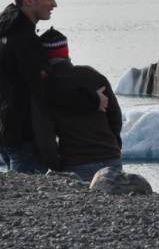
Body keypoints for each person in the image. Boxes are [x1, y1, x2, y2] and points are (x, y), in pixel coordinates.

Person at [0, 0, 106, 173]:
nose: (54, 4)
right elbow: (46, 89)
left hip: (2, 131)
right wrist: (92, 100)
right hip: (24, 136)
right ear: (29, 1)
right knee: (26, 198)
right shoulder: (24, 40)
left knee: (18, 196)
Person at [35, 28, 123, 181]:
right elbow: (115, 117)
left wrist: (56, 165)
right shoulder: (93, 76)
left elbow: (45, 135)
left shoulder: (47, 88)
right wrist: (114, 144)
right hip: (111, 156)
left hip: (76, 161)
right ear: (66, 52)